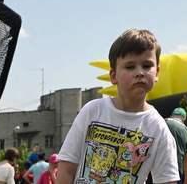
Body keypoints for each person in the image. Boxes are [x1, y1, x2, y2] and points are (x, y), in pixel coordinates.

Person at [55, 28, 179, 184]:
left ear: (157, 73)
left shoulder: (158, 128)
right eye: (130, 66)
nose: (140, 72)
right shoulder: (92, 111)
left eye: (147, 65)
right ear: (113, 76)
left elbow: (168, 180)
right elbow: (66, 168)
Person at [165, 107, 187, 184]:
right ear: (183, 119)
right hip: (176, 172)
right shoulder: (185, 130)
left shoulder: (162, 123)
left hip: (159, 171)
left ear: (172, 115)